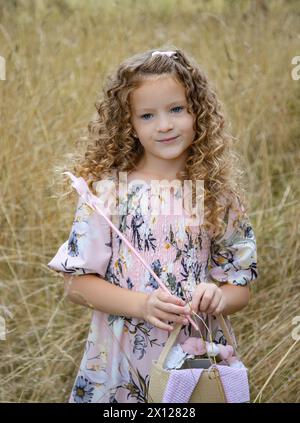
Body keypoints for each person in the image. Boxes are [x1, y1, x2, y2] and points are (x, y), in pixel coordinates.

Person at [47, 47, 258, 403]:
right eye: (147, 115)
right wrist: (142, 305)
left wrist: (218, 296)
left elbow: (240, 283)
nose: (164, 125)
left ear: (198, 112)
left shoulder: (218, 196)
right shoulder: (108, 193)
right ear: (128, 124)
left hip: (194, 361)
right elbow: (76, 284)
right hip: (121, 362)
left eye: (177, 109)